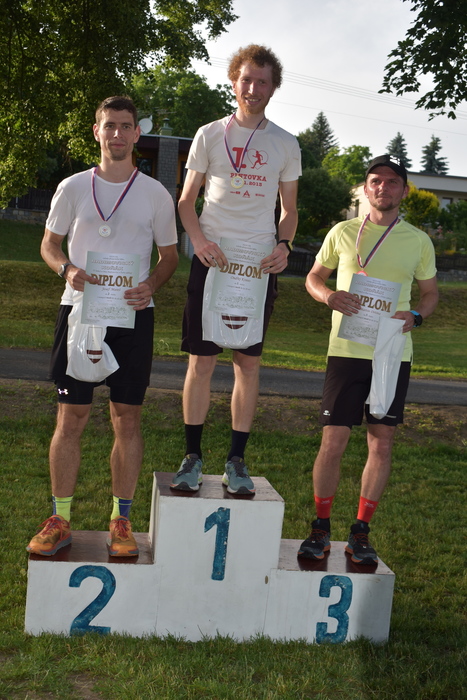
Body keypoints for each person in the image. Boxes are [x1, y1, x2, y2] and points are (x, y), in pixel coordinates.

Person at [27, 96, 178, 557]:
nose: (117, 134)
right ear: (97, 131)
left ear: (137, 134)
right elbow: (49, 245)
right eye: (109, 125)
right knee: (70, 416)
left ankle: (121, 521)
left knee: (127, 417)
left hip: (132, 314)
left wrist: (151, 284)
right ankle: (60, 519)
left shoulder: (155, 193)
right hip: (80, 312)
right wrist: (66, 269)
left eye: (126, 126)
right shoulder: (72, 186)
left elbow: (169, 256)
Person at [171, 44, 301, 495]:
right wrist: (199, 242)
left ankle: (236, 461)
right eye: (247, 79)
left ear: (273, 88)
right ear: (234, 82)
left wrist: (284, 244)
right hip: (213, 258)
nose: (253, 88)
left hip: (258, 264)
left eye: (262, 81)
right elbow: (186, 201)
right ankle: (192, 457)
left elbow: (289, 210)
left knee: (248, 363)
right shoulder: (209, 134)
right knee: (201, 361)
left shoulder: (285, 143)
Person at [298, 154, 438, 565]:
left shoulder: (418, 240)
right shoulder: (343, 231)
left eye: (392, 182)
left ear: (404, 191)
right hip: (346, 352)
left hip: (392, 353)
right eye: (376, 180)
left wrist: (416, 316)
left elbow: (430, 294)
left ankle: (360, 532)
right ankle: (320, 527)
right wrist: (328, 296)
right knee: (333, 440)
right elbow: (313, 278)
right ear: (365, 188)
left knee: (381, 442)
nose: (383, 187)